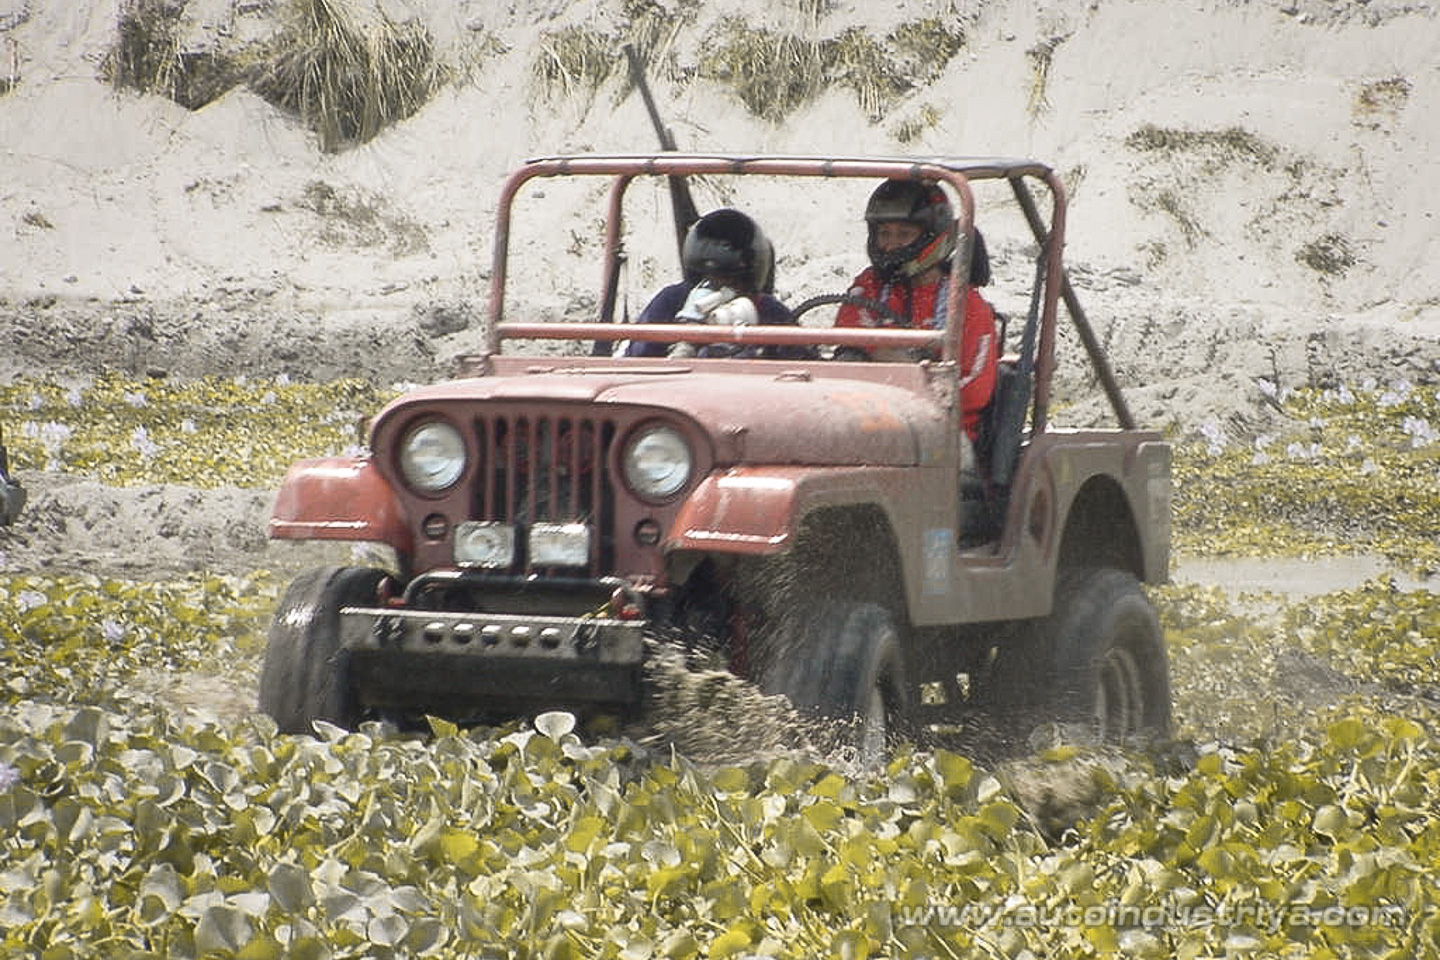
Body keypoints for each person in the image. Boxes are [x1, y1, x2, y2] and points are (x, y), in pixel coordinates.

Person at [834, 179, 999, 444]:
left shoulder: (965, 303)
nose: (890, 245)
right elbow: (848, 345)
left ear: (931, 236)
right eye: (884, 233)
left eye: (903, 234)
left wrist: (895, 364)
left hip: (944, 436)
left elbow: (972, 391)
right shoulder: (869, 286)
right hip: (869, 421)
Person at [619, 208, 811, 360]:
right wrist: (687, 338)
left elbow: (804, 366)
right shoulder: (670, 302)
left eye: (732, 283)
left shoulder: (770, 312)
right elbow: (637, 361)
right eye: (709, 280)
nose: (718, 290)